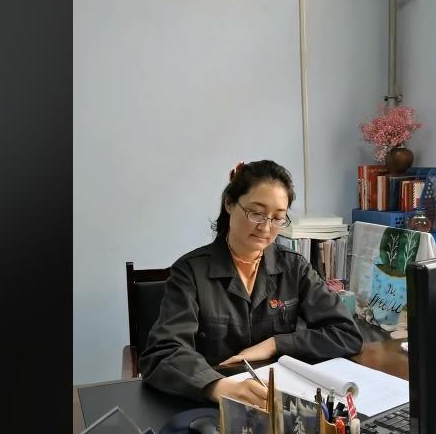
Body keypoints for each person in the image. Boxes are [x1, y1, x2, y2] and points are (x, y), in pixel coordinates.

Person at [139, 160, 363, 407]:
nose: (266, 227)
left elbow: (346, 333)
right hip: (212, 404)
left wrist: (275, 344)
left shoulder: (294, 267)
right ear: (229, 203)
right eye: (256, 213)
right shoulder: (190, 271)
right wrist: (217, 387)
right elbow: (163, 352)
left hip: (277, 400)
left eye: (278, 218)